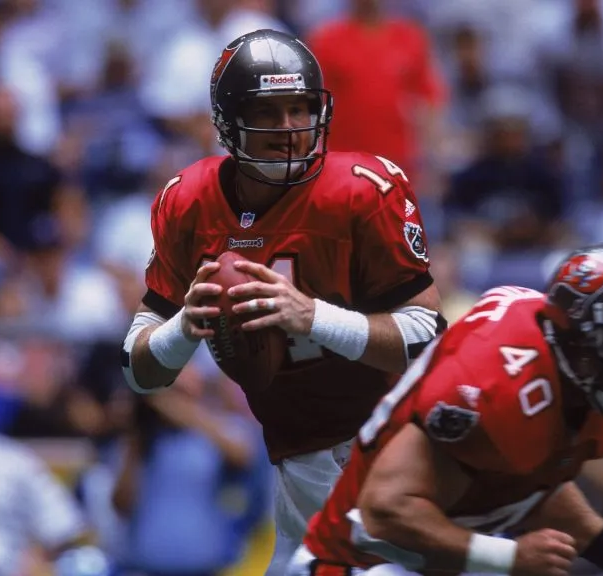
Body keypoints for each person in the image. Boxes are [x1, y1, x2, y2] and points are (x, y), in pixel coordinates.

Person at [120, 29, 445, 575]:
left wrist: (312, 316)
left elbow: (430, 338)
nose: (292, 128)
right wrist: (184, 327)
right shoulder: (188, 201)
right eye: (271, 113)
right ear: (227, 120)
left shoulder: (362, 190)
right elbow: (138, 369)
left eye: (302, 108)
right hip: (298, 470)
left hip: (390, 454)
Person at [289, 244, 603, 576]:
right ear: (584, 339)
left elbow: (529, 486)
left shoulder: (571, 382)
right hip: (355, 564)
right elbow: (382, 512)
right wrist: (509, 557)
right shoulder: (488, 387)